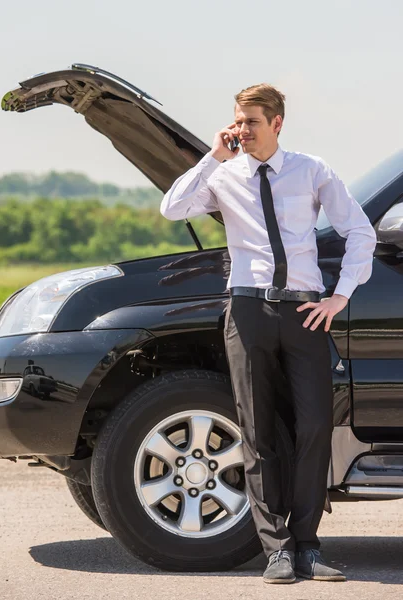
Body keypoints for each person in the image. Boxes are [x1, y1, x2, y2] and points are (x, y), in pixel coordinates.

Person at [160, 83, 377, 584]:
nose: (242, 130)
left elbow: (360, 231)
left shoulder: (312, 170)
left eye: (252, 121)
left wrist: (340, 296)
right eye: (238, 120)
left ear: (277, 123)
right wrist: (212, 156)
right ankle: (276, 548)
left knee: (314, 428)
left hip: (304, 313)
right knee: (258, 432)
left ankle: (308, 546)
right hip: (249, 310)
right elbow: (173, 208)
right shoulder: (224, 175)